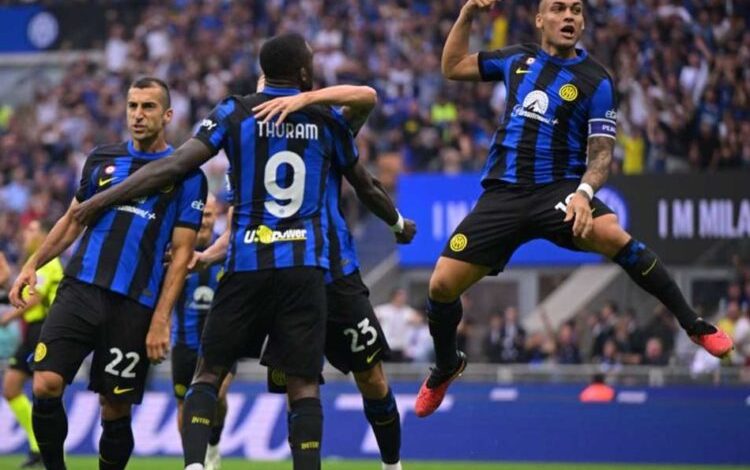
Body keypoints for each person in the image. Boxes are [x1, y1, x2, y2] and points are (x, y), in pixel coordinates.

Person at [69, 33, 415, 470]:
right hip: (302, 266)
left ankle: (388, 465)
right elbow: (361, 168)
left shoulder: (247, 114)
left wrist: (102, 199)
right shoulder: (324, 122)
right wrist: (399, 225)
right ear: (302, 72)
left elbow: (176, 166)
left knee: (232, 372)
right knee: (304, 383)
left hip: (310, 268)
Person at [415, 0, 732, 418]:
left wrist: (583, 193)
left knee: (614, 234)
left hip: (559, 192)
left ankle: (694, 325)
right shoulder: (517, 59)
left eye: (577, 10)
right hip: (503, 195)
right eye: (559, 9)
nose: (569, 17)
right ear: (540, 19)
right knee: (441, 286)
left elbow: (601, 155)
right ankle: (446, 365)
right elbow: (452, 66)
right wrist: (468, 14)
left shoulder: (596, 80)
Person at [195, 80, 416, 470]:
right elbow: (239, 222)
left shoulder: (323, 124)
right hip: (284, 274)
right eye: (263, 88)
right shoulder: (249, 148)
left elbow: (365, 98)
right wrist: (210, 256)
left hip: (335, 273)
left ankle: (391, 465)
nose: (268, 96)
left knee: (371, 376)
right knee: (297, 385)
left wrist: (307, 99)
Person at [9, 77, 207, 470]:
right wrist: (31, 265)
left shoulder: (187, 176)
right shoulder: (102, 159)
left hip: (134, 304)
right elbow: (72, 220)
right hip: (80, 289)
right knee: (45, 383)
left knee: (114, 407)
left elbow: (183, 253)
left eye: (148, 107)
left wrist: (161, 319)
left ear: (167, 115)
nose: (138, 115)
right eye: (133, 106)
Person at [170, 195, 234, 470]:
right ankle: (195, 460)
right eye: (200, 215)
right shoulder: (176, 250)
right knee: (184, 404)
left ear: (216, 216)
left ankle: (213, 445)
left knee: (217, 397)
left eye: (209, 215)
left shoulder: (226, 249)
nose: (204, 221)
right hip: (184, 343)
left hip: (222, 342)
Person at [1, 221, 64, 468]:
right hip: (33, 332)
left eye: (32, 230)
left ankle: (49, 448)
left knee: (43, 391)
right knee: (11, 388)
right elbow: (23, 296)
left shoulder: (48, 261)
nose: (26, 234)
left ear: (45, 235)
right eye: (26, 230)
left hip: (46, 330)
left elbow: (34, 300)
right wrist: (7, 284)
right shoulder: (33, 263)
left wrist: (7, 317)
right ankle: (37, 445)